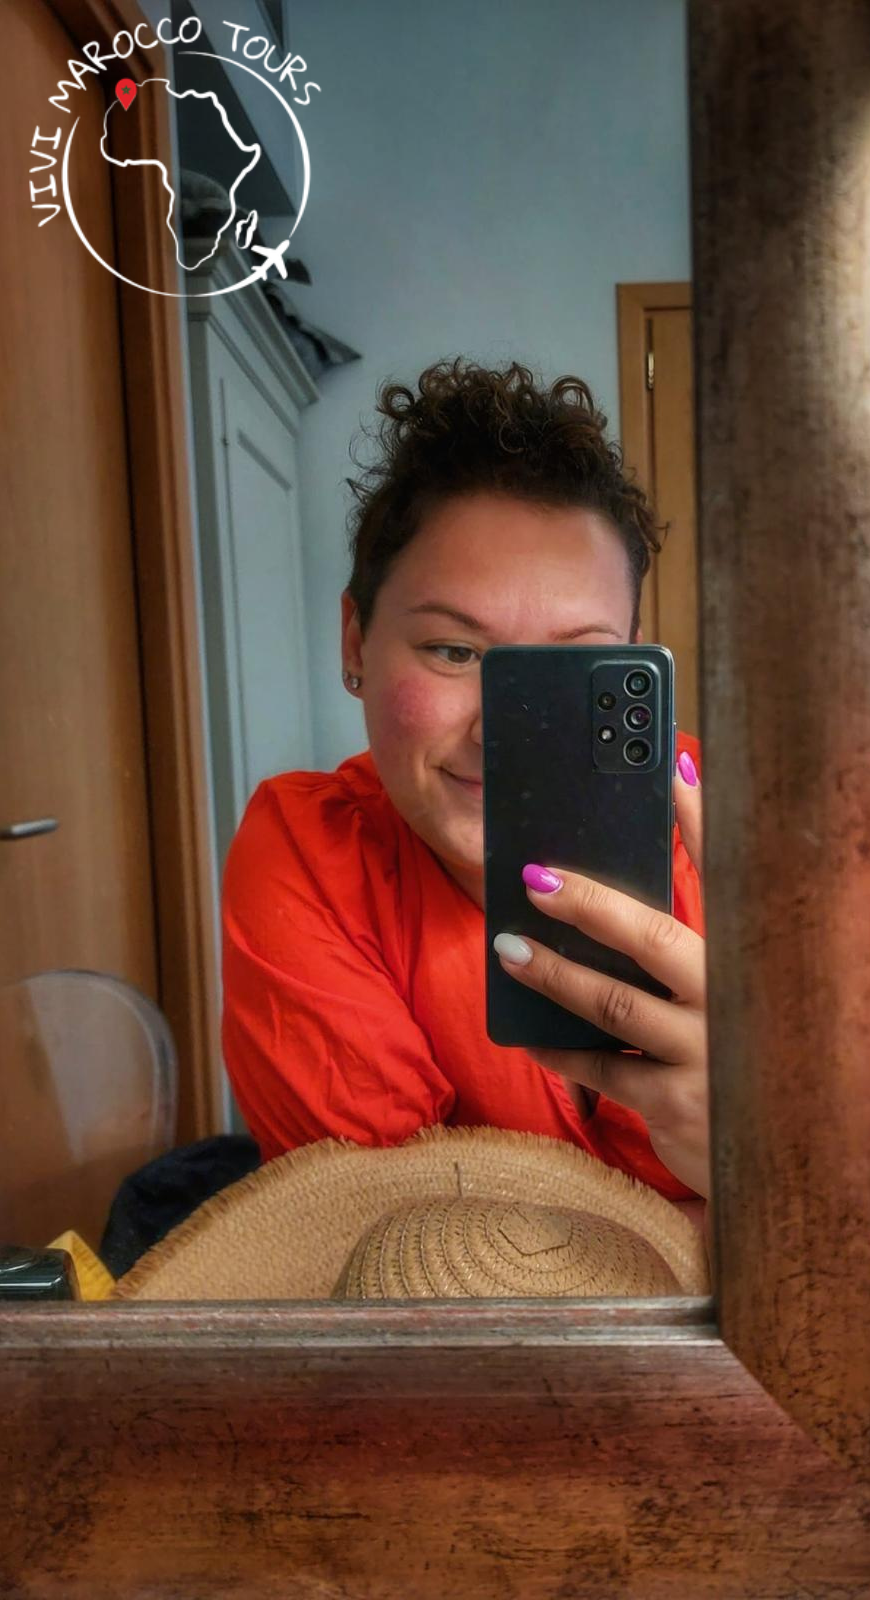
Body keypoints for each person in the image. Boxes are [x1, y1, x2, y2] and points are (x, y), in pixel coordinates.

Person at [221, 359, 711, 1236]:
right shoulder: (310, 852)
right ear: (356, 642)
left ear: (633, 657)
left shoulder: (747, 834)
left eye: (568, 667)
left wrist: (772, 1156)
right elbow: (388, 1247)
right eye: (454, 651)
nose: (504, 734)